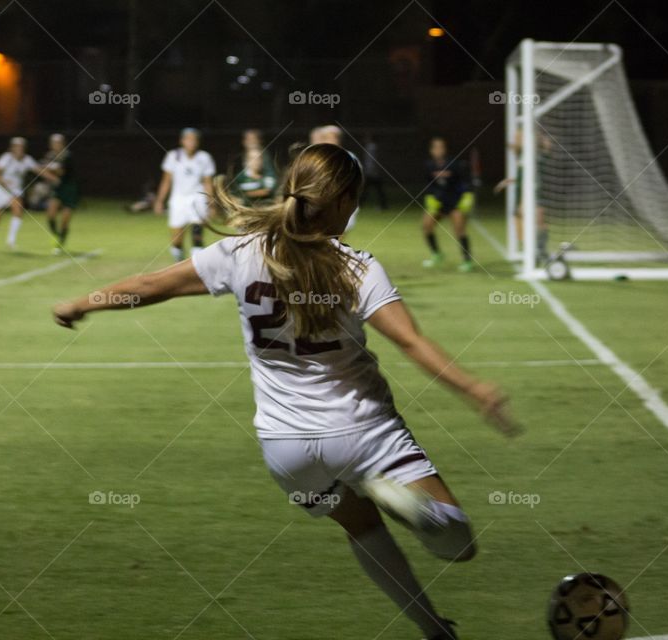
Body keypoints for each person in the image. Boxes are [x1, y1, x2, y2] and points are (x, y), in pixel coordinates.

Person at [53, 143, 520, 640]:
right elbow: (410, 341)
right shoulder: (356, 267)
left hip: (286, 449)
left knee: (361, 527)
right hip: (364, 431)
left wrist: (85, 301)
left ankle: (433, 629)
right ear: (341, 201)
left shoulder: (240, 251)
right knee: (458, 544)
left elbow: (151, 285)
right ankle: (408, 503)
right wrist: (473, 388)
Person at [153, 128, 215, 260]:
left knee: (197, 236)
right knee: (177, 239)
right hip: (178, 200)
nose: (191, 142)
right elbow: (166, 181)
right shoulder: (173, 156)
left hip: (198, 199)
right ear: (182, 141)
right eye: (188, 139)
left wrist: (210, 203)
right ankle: (179, 261)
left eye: (194, 139)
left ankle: (195, 269)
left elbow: (208, 182)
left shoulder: (204, 157)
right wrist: (159, 200)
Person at [0, 137, 56, 250]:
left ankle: (10, 241)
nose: (19, 149)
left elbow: (39, 170)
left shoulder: (27, 159)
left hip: (15, 191)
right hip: (0, 189)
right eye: (17, 147)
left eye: (21, 147)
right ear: (12, 148)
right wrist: (2, 180)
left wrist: (54, 178)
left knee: (18, 211)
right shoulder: (6, 158)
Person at [495, 128, 552, 263]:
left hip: (535, 193)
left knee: (539, 221)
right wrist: (508, 181)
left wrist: (540, 137)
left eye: (519, 138)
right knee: (520, 222)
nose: (516, 140)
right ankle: (532, 252)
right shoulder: (522, 156)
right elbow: (522, 176)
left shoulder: (536, 155)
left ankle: (541, 251)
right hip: (522, 193)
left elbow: (547, 147)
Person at [422, 137, 476, 271]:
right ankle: (437, 254)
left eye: (441, 147)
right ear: (431, 150)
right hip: (439, 202)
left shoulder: (454, 164)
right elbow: (429, 185)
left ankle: (467, 260)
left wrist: (468, 196)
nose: (438, 150)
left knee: (459, 229)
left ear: (445, 149)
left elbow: (466, 181)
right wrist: (430, 197)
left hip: (455, 202)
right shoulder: (429, 165)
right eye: (435, 147)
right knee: (426, 225)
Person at [42, 133, 80, 254]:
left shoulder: (67, 156)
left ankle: (60, 244)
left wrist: (47, 168)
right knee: (50, 214)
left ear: (62, 144)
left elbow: (60, 171)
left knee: (65, 219)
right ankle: (56, 235)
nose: (55, 145)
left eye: (58, 143)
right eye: (53, 143)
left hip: (70, 189)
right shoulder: (50, 156)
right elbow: (45, 170)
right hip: (58, 188)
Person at [360, 133, 387, 210]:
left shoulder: (371, 147)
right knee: (377, 190)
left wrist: (371, 170)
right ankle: (383, 205)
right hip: (373, 172)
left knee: (367, 190)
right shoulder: (372, 147)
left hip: (372, 173)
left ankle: (360, 204)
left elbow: (371, 160)